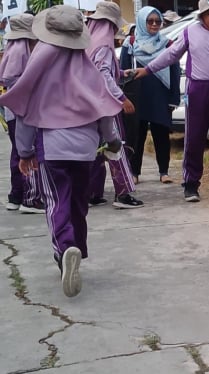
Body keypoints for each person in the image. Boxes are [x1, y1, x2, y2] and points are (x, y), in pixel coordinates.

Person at [0, 5, 123, 297]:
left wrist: (25, 151)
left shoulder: (39, 73)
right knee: (79, 203)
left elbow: (28, 114)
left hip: (52, 148)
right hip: (85, 150)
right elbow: (105, 111)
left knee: (57, 201)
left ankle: (65, 248)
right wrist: (113, 141)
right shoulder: (89, 70)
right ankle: (77, 245)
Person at [133, 0, 209, 202]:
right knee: (195, 138)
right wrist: (147, 70)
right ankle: (191, 184)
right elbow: (171, 54)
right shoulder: (191, 32)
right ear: (202, 16)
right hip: (198, 90)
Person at [86, 1, 144, 209]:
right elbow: (103, 74)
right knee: (116, 146)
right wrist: (122, 97)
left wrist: (120, 73)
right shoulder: (104, 45)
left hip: (90, 104)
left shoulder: (90, 42)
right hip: (106, 103)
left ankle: (92, 192)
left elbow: (97, 71)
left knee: (96, 148)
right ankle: (123, 193)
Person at [119, 6, 180, 185]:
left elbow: (175, 71)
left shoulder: (168, 44)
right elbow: (122, 72)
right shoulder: (129, 43)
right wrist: (123, 98)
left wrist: (173, 98)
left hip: (160, 95)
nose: (154, 25)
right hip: (137, 95)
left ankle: (164, 171)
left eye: (157, 21)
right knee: (136, 135)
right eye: (150, 21)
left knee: (161, 133)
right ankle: (134, 172)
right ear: (141, 22)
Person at [0, 13, 46, 214]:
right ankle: (32, 198)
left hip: (14, 108)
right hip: (21, 108)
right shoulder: (21, 49)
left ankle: (16, 195)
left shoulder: (13, 47)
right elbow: (11, 78)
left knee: (18, 151)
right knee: (28, 151)